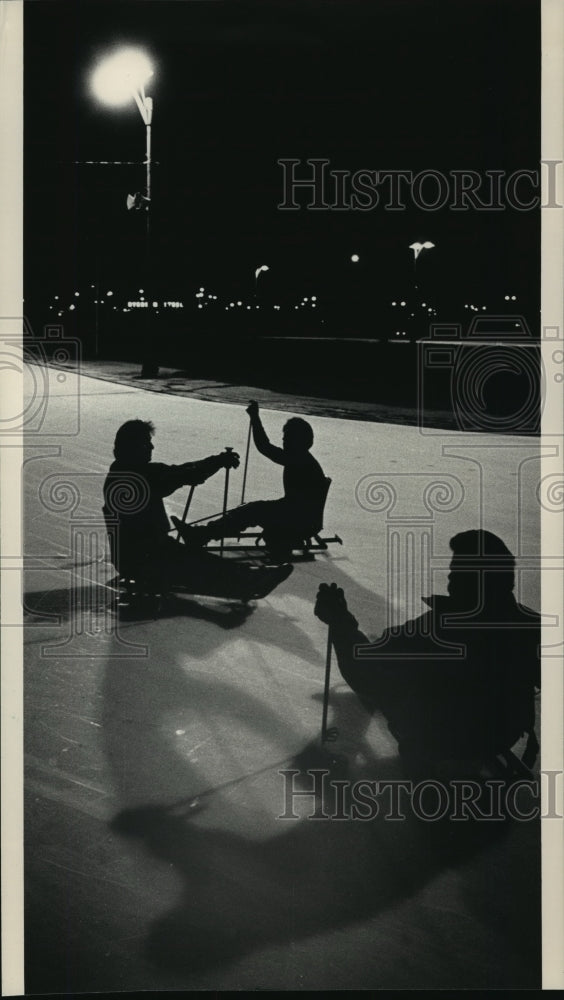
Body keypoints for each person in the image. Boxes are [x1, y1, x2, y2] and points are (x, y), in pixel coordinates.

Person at [314, 530, 540, 775]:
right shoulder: (530, 625)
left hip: (443, 739)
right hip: (502, 734)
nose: (450, 579)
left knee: (387, 679)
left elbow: (363, 668)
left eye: (457, 573)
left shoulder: (434, 629)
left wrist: (340, 623)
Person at [103, 419, 293, 602]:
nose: (152, 448)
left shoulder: (121, 472)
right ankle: (249, 579)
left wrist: (214, 462)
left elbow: (180, 472)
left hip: (137, 553)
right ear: (133, 448)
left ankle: (249, 575)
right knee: (197, 563)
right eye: (147, 444)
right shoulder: (137, 478)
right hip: (146, 558)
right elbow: (185, 473)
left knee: (196, 559)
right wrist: (218, 461)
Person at [175, 401, 327, 557]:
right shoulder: (303, 458)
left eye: (287, 437)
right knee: (252, 510)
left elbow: (264, 446)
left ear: (299, 441)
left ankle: (201, 535)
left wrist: (255, 417)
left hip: (297, 517)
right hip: (297, 513)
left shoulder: (298, 459)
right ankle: (203, 533)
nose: (284, 441)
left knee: (251, 511)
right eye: (284, 437)